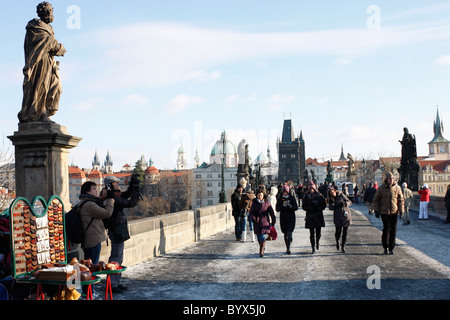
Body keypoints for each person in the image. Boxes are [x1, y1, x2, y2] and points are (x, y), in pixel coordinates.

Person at [19, 1, 67, 122]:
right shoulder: (35, 26)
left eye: (51, 11)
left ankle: (44, 111)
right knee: (41, 87)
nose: (51, 14)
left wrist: (56, 47)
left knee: (56, 87)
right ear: (43, 13)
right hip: (39, 62)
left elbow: (48, 42)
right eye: (49, 11)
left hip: (49, 62)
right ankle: (39, 113)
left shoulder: (49, 28)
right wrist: (58, 47)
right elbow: (41, 43)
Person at [102, 175, 140, 293]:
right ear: (110, 185)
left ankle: (116, 282)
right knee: (115, 257)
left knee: (119, 257)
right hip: (116, 228)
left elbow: (125, 195)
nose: (118, 184)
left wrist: (132, 186)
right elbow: (129, 203)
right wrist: (137, 191)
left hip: (119, 227)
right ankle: (112, 284)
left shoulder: (113, 194)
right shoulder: (110, 196)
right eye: (115, 183)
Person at [78, 181, 115, 297]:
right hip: (92, 240)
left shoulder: (84, 202)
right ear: (87, 191)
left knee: (88, 266)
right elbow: (107, 213)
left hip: (89, 239)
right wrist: (111, 199)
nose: (96, 191)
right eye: (94, 189)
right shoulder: (89, 204)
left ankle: (87, 291)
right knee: (91, 268)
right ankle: (88, 292)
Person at [372, 172, 404, 254]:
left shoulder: (397, 188)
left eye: (393, 178)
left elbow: (401, 200)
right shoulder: (381, 188)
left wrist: (401, 211)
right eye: (390, 178)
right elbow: (376, 200)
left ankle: (391, 248)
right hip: (384, 212)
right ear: (386, 179)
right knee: (386, 229)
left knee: (393, 230)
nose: (392, 180)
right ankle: (385, 247)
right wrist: (376, 210)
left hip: (394, 211)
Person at [249, 190, 276, 257]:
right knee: (259, 238)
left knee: (263, 237)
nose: (260, 196)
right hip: (257, 222)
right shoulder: (254, 203)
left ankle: (261, 251)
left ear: (263, 196)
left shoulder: (267, 203)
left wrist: (273, 220)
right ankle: (262, 246)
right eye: (258, 195)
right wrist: (253, 218)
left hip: (264, 222)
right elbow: (251, 213)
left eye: (261, 195)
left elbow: (271, 212)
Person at [302, 180, 326, 254]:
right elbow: (304, 206)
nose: (311, 190)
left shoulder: (319, 195)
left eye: (312, 189)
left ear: (315, 189)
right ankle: (313, 247)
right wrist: (310, 208)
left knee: (318, 232)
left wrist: (318, 208)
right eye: (310, 189)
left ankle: (317, 242)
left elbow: (324, 205)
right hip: (310, 216)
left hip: (318, 215)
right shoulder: (306, 196)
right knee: (312, 233)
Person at [276, 184, 298, 254]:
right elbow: (277, 209)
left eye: (286, 192)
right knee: (285, 233)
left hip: (291, 217)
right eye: (284, 192)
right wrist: (282, 206)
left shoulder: (292, 198)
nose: (285, 193)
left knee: (289, 232)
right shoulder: (280, 199)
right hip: (283, 217)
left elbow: (296, 207)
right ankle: (287, 247)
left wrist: (290, 206)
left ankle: (289, 246)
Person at [328, 187, 352, 253]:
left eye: (333, 192)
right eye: (331, 193)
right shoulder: (331, 199)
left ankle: (343, 246)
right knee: (338, 232)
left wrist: (345, 204)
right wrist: (334, 205)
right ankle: (337, 241)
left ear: (335, 191)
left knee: (345, 233)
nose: (332, 194)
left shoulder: (341, 195)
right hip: (337, 216)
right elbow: (330, 207)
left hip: (345, 216)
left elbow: (349, 201)